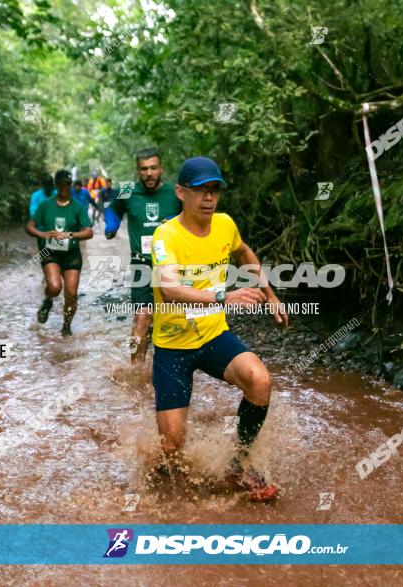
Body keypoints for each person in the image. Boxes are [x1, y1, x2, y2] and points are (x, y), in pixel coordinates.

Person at [150, 156, 289, 501]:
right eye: (201, 191)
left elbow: (244, 252)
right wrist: (223, 297)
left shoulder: (225, 224)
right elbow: (169, 289)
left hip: (213, 336)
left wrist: (271, 295)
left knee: (260, 380)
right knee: (170, 450)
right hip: (173, 347)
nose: (209, 198)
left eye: (214, 191)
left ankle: (237, 464)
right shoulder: (165, 236)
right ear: (181, 192)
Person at [105, 148, 181, 364]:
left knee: (169, 321)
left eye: (153, 168)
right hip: (142, 266)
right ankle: (134, 366)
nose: (149, 173)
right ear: (137, 170)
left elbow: (192, 217)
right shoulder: (127, 191)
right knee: (141, 319)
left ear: (161, 169)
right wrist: (112, 225)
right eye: (144, 169)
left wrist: (174, 220)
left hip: (171, 266)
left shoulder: (175, 193)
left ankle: (168, 366)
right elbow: (112, 209)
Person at [25, 169, 94, 336]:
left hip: (71, 253)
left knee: (71, 294)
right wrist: (42, 234)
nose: (65, 187)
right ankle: (48, 300)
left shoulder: (77, 206)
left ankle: (66, 328)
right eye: (61, 184)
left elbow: (89, 232)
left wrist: (72, 234)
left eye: (68, 184)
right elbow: (30, 226)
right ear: (56, 185)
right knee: (55, 287)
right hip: (50, 252)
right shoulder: (45, 205)